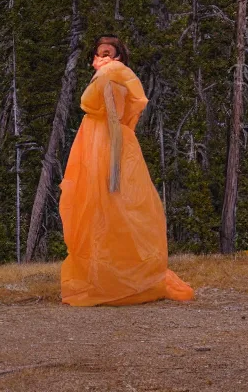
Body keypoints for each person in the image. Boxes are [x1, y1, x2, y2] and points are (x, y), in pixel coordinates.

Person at [59, 35, 194, 305]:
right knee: (97, 208)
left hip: (107, 145)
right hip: (95, 143)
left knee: (113, 206)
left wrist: (115, 165)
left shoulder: (112, 75)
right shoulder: (109, 76)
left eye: (108, 53)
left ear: (118, 56)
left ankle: (117, 281)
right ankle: (105, 276)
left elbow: (114, 118)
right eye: (99, 53)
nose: (102, 58)